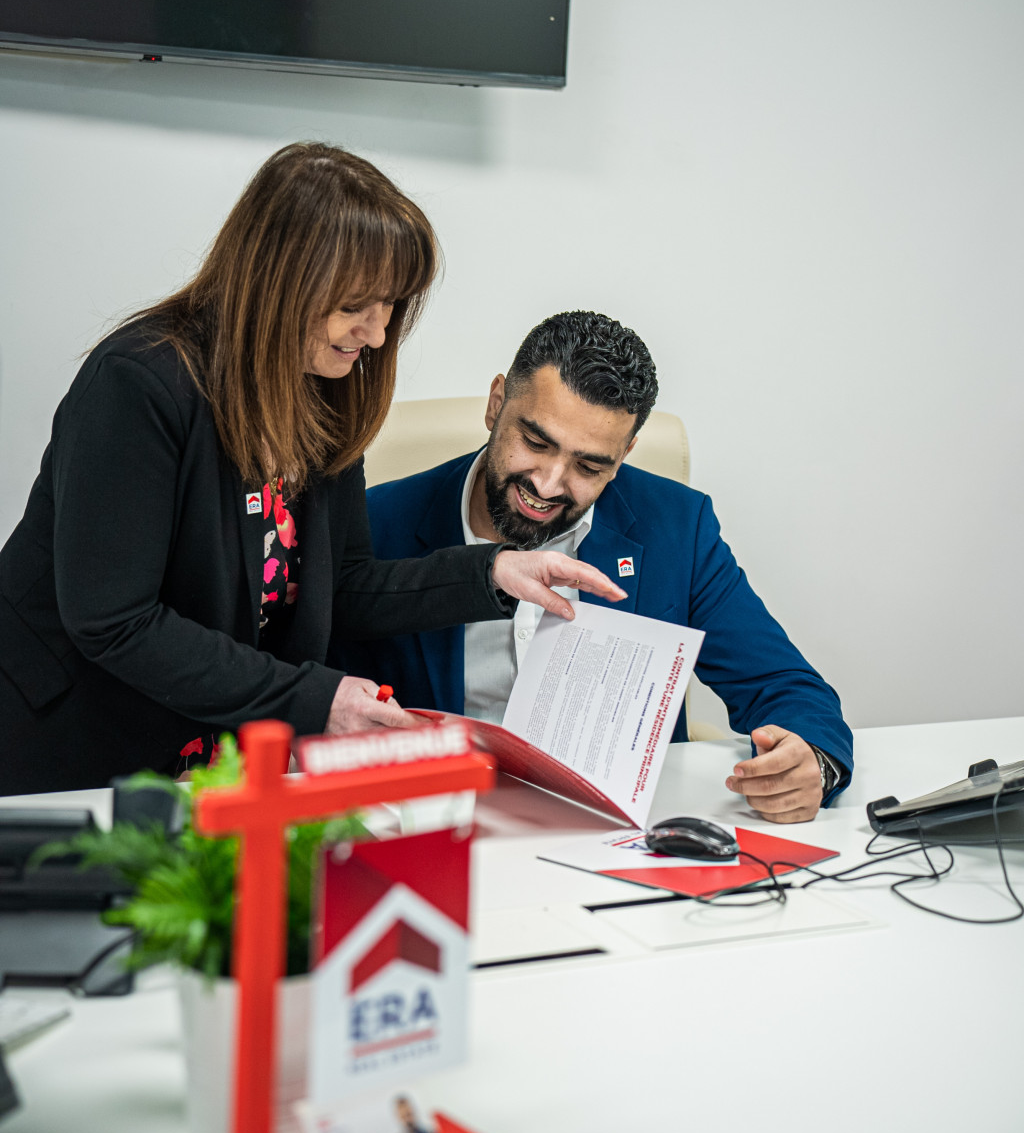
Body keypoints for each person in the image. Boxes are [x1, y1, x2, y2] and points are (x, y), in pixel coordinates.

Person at [0, 151, 623, 796]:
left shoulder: (321, 387)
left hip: (201, 754)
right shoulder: (140, 383)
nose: (378, 334)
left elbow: (343, 586)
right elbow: (114, 621)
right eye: (357, 304)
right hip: (68, 743)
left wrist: (490, 572)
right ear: (279, 281)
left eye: (390, 305)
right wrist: (316, 697)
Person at [333, 311, 854, 823]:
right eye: (535, 442)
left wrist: (812, 762)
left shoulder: (676, 526)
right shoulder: (377, 523)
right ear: (497, 404)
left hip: (618, 839)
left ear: (625, 453)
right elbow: (307, 691)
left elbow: (786, 685)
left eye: (589, 466)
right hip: (440, 829)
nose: (550, 484)